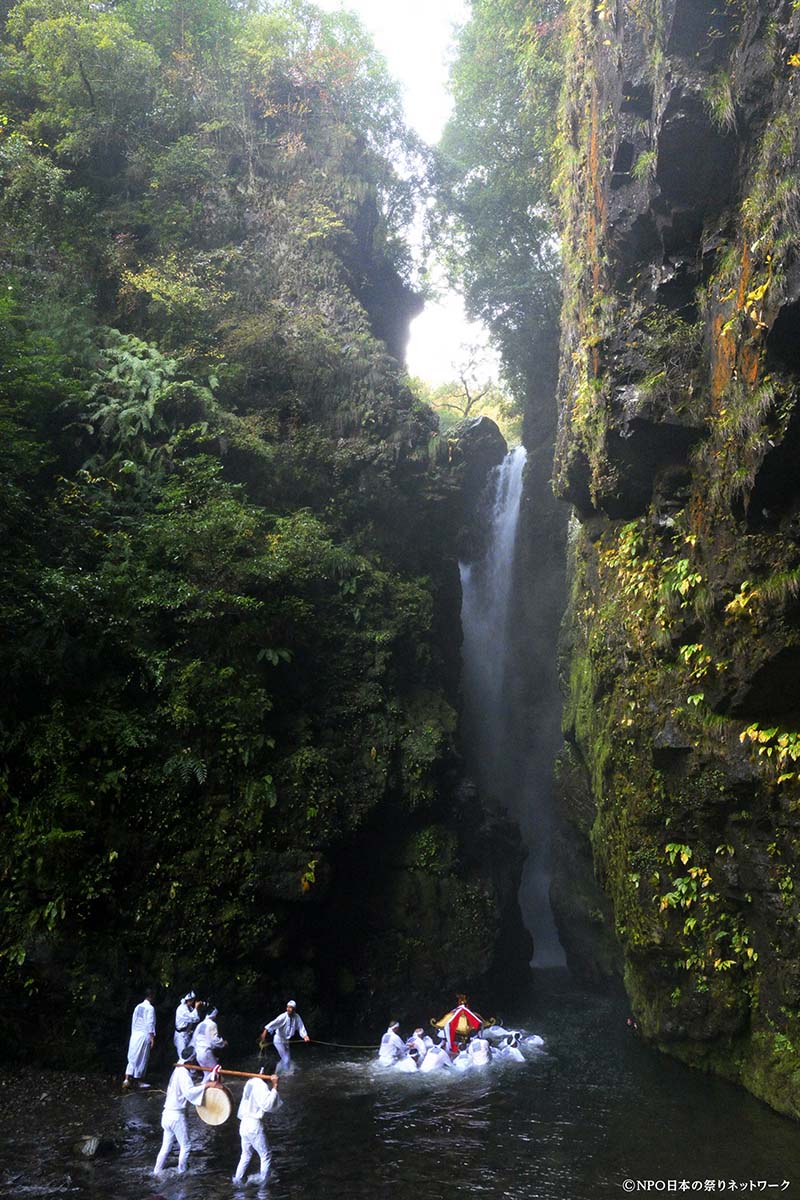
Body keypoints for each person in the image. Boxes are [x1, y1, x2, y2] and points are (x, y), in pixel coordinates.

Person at [153, 1054, 213, 1175]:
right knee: (186, 1146)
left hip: (166, 1114)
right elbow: (189, 1092)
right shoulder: (184, 1074)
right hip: (176, 1116)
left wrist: (209, 1077)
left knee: (166, 1147)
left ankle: (156, 1171)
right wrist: (206, 1085)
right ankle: (182, 1172)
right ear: (190, 1060)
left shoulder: (177, 1070)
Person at [232, 1069, 281, 1186]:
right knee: (266, 1155)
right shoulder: (260, 1085)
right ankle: (264, 1184)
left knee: (246, 1155)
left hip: (244, 1123)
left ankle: (237, 1180)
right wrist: (275, 1086)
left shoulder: (250, 1082)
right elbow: (267, 1105)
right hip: (253, 1124)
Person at [261, 1000, 310, 1075]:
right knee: (285, 1059)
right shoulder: (283, 1016)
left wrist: (305, 1036)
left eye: (291, 1008)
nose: (288, 1009)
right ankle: (276, 1073)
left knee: (288, 1059)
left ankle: (285, 1073)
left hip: (286, 1041)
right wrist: (265, 1031)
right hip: (278, 1039)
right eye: (287, 1007)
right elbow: (273, 1023)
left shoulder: (297, 1017)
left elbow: (301, 1027)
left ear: (294, 1009)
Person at [124, 989, 156, 1089]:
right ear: (151, 996)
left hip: (135, 1035)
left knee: (133, 1057)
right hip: (143, 1035)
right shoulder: (150, 1008)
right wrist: (152, 1037)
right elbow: (150, 1023)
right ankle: (138, 1081)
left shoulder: (138, 1007)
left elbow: (134, 1021)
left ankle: (127, 1079)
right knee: (142, 1058)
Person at [194, 1003, 227, 1070]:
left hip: (198, 1053)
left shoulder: (200, 1024)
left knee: (207, 1074)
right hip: (206, 1052)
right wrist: (223, 1043)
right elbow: (214, 1040)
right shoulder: (212, 1024)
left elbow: (194, 1038)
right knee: (216, 1072)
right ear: (214, 1015)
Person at [173, 992, 200, 1059]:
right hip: (181, 1036)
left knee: (190, 1054)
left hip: (186, 1033)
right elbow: (194, 1018)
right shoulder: (182, 1009)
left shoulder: (189, 1008)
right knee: (183, 1056)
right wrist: (196, 1008)